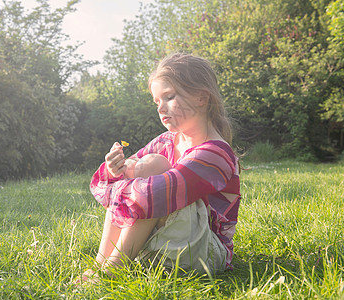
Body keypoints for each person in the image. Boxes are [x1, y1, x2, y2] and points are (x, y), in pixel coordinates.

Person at [86, 53, 241, 282]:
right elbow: (123, 180)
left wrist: (130, 175)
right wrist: (116, 169)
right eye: (157, 102)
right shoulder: (166, 141)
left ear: (201, 97)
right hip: (168, 244)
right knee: (141, 173)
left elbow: (160, 192)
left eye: (169, 97)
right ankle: (101, 265)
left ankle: (111, 272)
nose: (161, 108)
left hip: (205, 253)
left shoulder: (215, 152)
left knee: (153, 174)